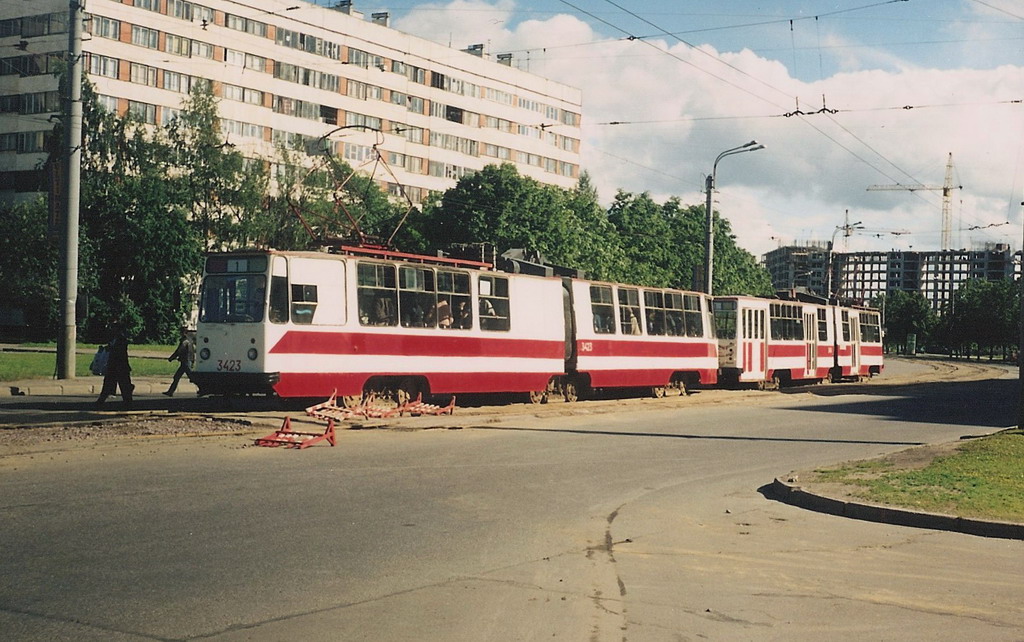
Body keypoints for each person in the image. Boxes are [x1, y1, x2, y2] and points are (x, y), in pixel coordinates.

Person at [95, 322, 134, 409]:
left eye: (113, 328)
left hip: (121, 366)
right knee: (108, 383)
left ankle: (128, 401)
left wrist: (111, 349)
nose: (111, 330)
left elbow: (119, 352)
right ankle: (101, 400)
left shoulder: (122, 339)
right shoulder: (113, 339)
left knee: (123, 385)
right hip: (113, 366)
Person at [163, 327, 195, 397]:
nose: (180, 333)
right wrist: (192, 361)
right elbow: (192, 352)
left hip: (185, 362)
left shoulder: (184, 341)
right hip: (186, 362)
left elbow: (179, 351)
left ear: (184, 333)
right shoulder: (189, 340)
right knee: (177, 377)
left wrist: (171, 358)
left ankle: (203, 388)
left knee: (192, 378)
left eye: (181, 332)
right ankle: (170, 392)